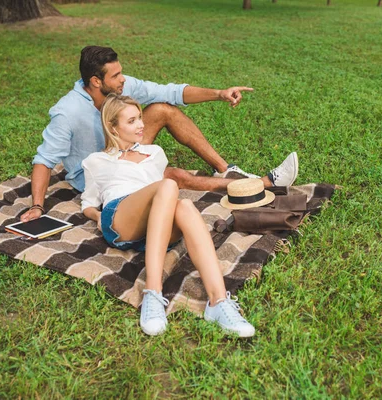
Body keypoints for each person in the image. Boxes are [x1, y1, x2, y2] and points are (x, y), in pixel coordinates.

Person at [81, 94, 295, 337]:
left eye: (140, 117)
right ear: (112, 127)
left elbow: (162, 199)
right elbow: (88, 201)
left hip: (155, 227)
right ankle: (153, 293)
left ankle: (218, 302)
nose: (141, 125)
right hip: (120, 219)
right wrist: (96, 216)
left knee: (184, 207)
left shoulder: (154, 152)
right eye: (131, 121)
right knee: (169, 186)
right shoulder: (96, 161)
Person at [21, 45, 296, 222]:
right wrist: (37, 206)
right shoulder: (66, 112)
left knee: (163, 108)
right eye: (116, 76)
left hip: (123, 149)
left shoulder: (119, 89)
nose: (123, 79)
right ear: (95, 81)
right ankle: (263, 183)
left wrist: (219, 94)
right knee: (172, 175)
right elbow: (44, 160)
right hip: (101, 171)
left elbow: (171, 92)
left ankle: (226, 170)